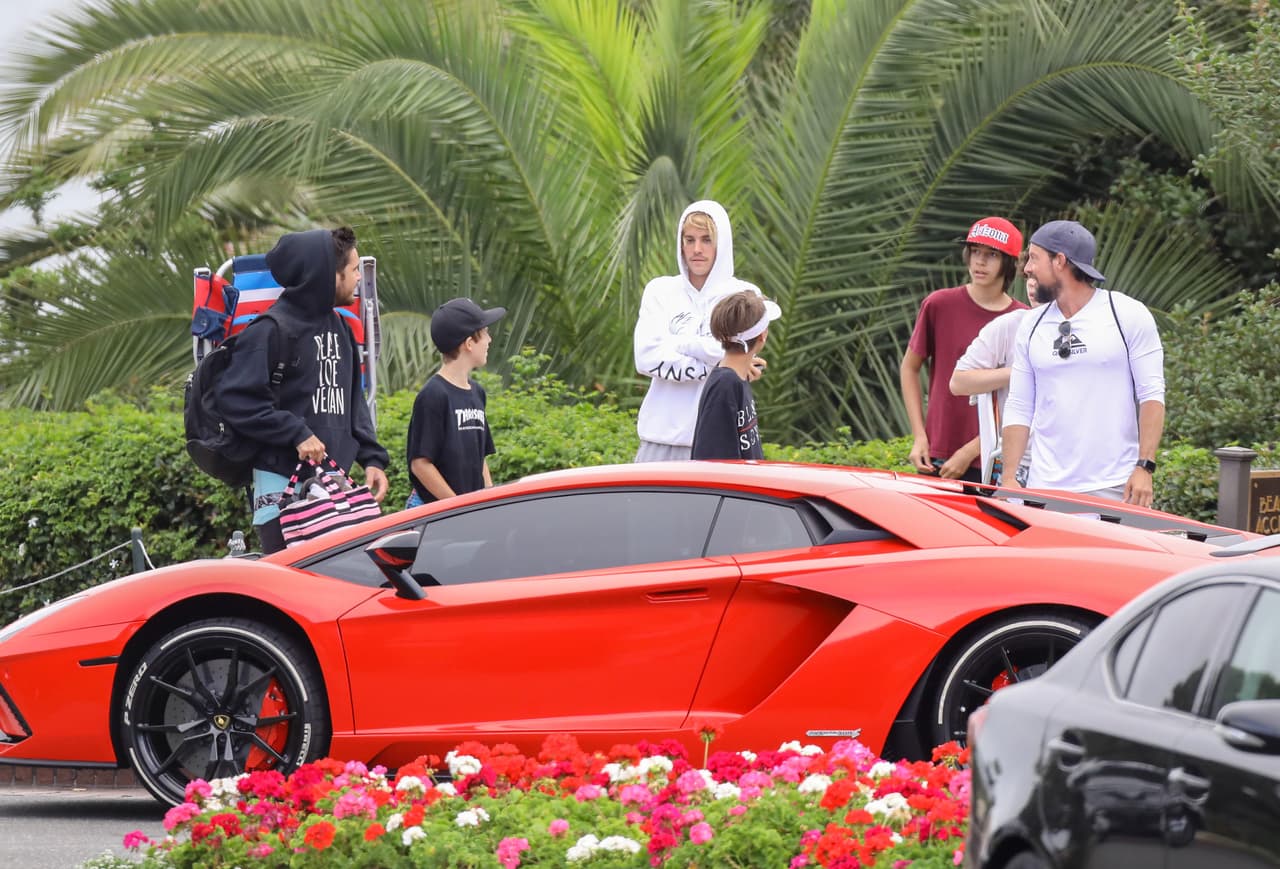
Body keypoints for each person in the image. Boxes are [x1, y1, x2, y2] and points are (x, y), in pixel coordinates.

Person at [217, 226, 389, 553]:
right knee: (298, 599)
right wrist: (295, 432)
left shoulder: (341, 327)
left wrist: (372, 458)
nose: (357, 279)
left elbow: (355, 405)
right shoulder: (270, 330)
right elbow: (235, 401)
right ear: (327, 275)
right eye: (352, 271)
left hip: (334, 492)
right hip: (284, 496)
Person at [1001, 220, 1165, 506]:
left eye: (1034, 258)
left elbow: (1151, 394)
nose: (1026, 269)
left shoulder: (1126, 313)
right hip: (1044, 488)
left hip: (1115, 486)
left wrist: (1145, 467)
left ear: (1060, 261)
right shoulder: (1031, 325)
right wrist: (1009, 478)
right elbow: (1019, 405)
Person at [634, 200, 762, 462]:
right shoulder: (659, 291)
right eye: (689, 240)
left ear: (721, 243)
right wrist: (722, 364)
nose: (697, 249)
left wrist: (676, 343)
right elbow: (645, 358)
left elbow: (738, 354)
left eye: (706, 240)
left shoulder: (745, 295)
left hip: (719, 442)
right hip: (657, 439)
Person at [900, 217, 1027, 482]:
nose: (980, 262)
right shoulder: (939, 305)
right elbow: (910, 368)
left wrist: (972, 450)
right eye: (975, 252)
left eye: (992, 255)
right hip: (938, 453)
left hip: (997, 458)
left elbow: (1027, 400)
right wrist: (920, 436)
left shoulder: (1025, 321)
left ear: (1009, 263)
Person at [405, 297, 506, 507]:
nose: (490, 340)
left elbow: (480, 460)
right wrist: (457, 508)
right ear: (469, 344)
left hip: (467, 513)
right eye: (485, 333)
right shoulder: (433, 395)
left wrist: (489, 499)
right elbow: (420, 464)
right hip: (437, 513)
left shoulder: (477, 392)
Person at [949, 273, 1044, 485]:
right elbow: (958, 382)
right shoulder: (1010, 325)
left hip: (1073, 467)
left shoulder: (1091, 328)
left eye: (1039, 276)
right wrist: (1019, 373)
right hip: (1018, 464)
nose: (1032, 283)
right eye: (1029, 276)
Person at [691, 291, 782, 460]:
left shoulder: (733, 379)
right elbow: (713, 461)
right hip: (732, 485)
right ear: (763, 335)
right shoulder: (725, 384)